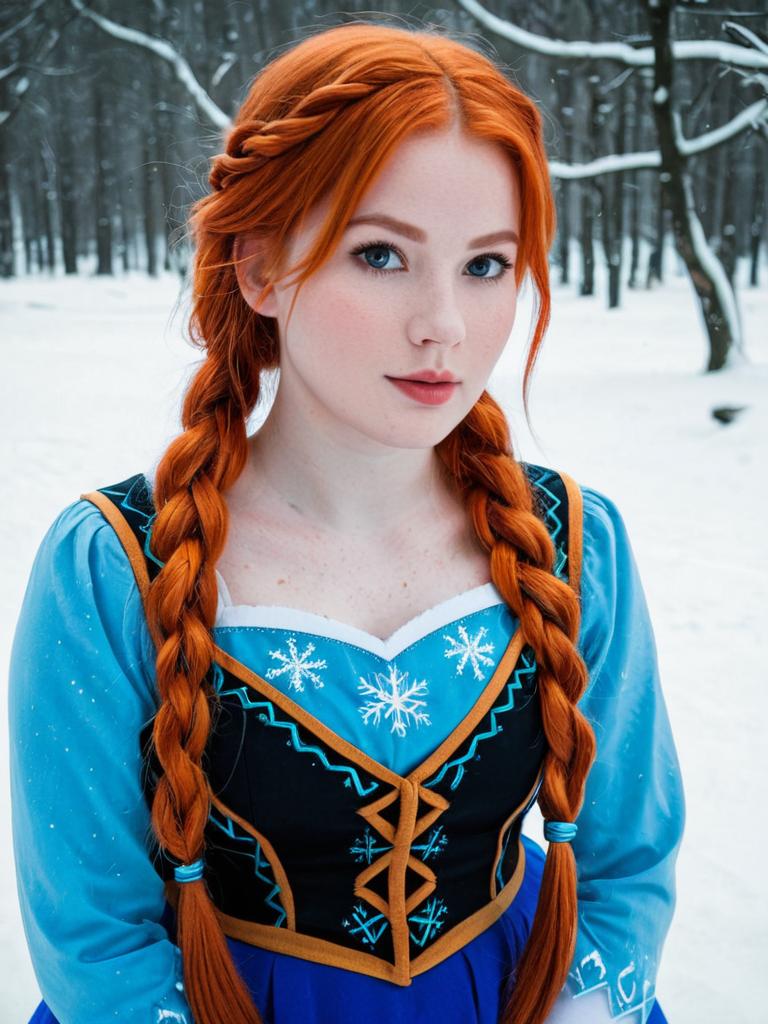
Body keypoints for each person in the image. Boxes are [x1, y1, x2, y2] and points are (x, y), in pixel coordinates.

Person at [8, 20, 685, 1024]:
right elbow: (94, 933)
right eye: (380, 254)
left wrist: (582, 1007)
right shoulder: (116, 564)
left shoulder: (573, 540)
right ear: (260, 269)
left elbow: (628, 861)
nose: (444, 324)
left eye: (487, 265)